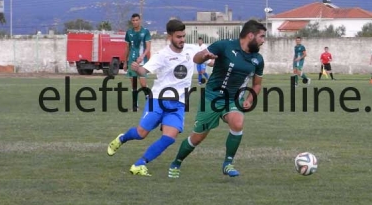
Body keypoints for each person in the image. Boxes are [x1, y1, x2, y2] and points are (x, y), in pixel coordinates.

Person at [168, 19, 266, 178]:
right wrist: (204, 56)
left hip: (233, 99)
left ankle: (228, 164)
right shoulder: (224, 45)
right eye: (261, 36)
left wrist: (250, 99)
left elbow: (257, 84)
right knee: (197, 138)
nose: (263, 41)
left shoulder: (258, 59)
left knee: (237, 122)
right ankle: (176, 162)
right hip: (211, 98)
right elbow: (196, 59)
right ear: (250, 35)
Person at [107, 19, 198, 176]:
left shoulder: (192, 49)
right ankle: (122, 139)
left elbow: (208, 57)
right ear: (169, 36)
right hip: (157, 100)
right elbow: (144, 71)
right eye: (178, 37)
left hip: (178, 104)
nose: (182, 40)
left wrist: (212, 58)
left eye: (183, 36)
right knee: (141, 134)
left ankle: (139, 164)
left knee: (169, 138)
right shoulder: (162, 55)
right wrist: (138, 69)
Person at [123, 13, 152, 111]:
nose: (135, 22)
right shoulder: (129, 32)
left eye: (136, 20)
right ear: (131, 21)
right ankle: (135, 106)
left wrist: (142, 57)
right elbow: (127, 48)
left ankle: (149, 104)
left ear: (140, 20)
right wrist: (125, 62)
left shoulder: (145, 32)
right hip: (132, 61)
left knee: (143, 84)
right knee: (134, 84)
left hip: (142, 62)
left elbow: (148, 47)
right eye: (133, 20)